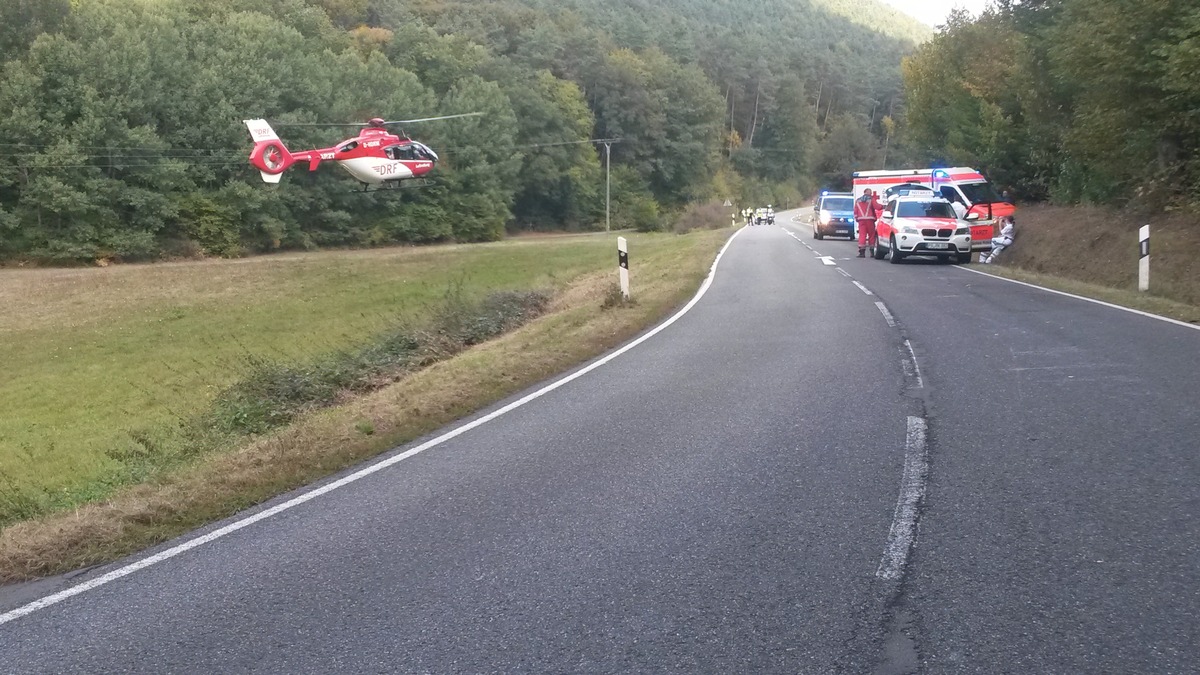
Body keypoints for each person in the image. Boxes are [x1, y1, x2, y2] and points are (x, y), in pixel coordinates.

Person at [854, 188, 883, 257]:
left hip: (861, 220)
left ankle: (862, 252)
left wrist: (856, 218)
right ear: (868, 192)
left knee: (862, 235)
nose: (871, 194)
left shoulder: (858, 200)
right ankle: (872, 252)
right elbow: (877, 207)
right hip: (870, 220)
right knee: (871, 235)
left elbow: (855, 211)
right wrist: (884, 206)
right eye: (870, 192)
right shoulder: (871, 199)